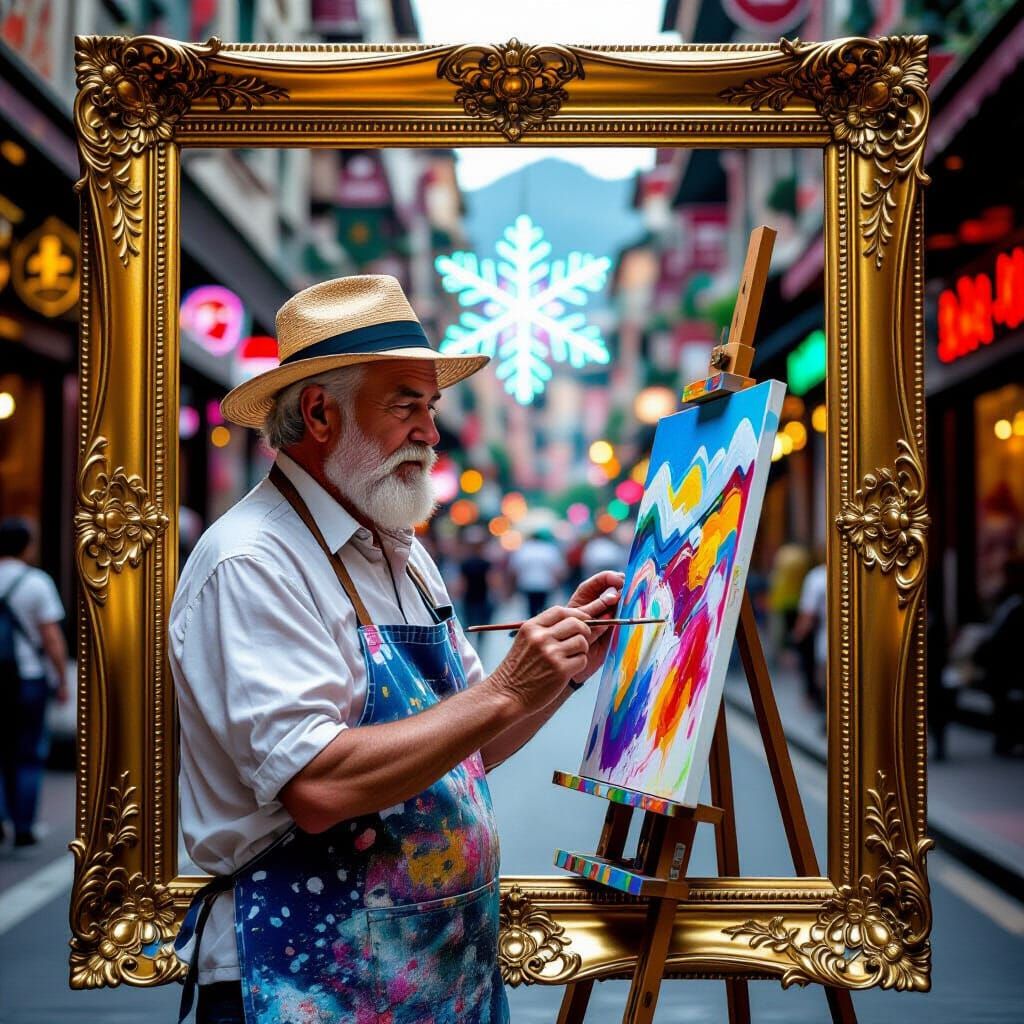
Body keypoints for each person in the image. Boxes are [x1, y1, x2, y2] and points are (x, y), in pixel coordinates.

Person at [170, 275, 623, 1024]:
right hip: (312, 985)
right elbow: (317, 786)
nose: (431, 432)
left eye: (431, 407)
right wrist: (508, 686)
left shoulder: (398, 549)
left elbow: (469, 739)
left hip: (440, 977)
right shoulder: (253, 561)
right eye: (406, 405)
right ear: (319, 412)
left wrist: (560, 672)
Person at [0, 517, 67, 847]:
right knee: (27, 753)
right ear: (26, 545)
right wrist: (62, 678)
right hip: (28, 678)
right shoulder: (36, 582)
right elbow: (51, 637)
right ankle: (24, 826)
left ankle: (0, 820)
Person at [791, 559, 827, 711]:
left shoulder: (817, 577)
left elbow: (808, 613)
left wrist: (796, 638)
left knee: (824, 677)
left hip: (826, 638)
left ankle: (829, 718)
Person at [509, 527, 564, 618]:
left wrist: (513, 585)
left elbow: (515, 569)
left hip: (527, 583)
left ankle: (532, 623)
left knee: (531, 608)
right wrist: (558, 583)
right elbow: (557, 569)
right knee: (544, 607)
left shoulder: (523, 549)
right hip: (545, 583)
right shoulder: (548, 549)